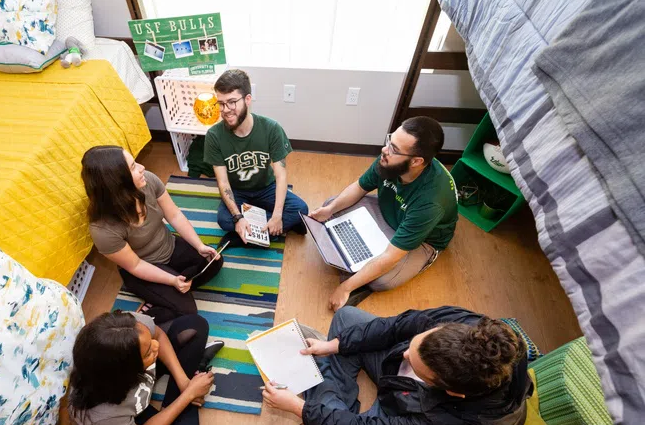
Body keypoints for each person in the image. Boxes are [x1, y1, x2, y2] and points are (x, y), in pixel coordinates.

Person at [262, 305, 531, 425]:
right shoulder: (470, 328)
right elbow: (398, 326)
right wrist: (335, 345)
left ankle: (321, 409)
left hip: (411, 424)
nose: (405, 353)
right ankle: (326, 397)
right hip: (405, 392)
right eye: (413, 346)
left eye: (414, 363)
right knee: (346, 319)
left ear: (451, 391)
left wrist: (299, 409)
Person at [309, 116, 458, 311]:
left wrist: (346, 288)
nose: (385, 150)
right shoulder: (389, 159)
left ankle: (365, 263)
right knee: (331, 205)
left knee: (382, 281)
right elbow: (360, 187)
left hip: (422, 241)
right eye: (390, 141)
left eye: (394, 149)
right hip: (389, 208)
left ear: (416, 161)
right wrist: (329, 210)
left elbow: (390, 257)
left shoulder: (431, 201)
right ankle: (364, 256)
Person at [69, 311, 222, 425]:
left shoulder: (125, 328)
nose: (156, 345)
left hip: (131, 390)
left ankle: (185, 397)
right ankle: (194, 378)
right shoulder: (104, 417)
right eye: (149, 351)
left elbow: (158, 335)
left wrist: (184, 382)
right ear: (127, 371)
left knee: (194, 326)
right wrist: (188, 395)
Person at [81, 145, 224, 324]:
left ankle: (166, 292)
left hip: (168, 246)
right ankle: (143, 315)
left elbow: (174, 215)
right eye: (133, 167)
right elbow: (135, 265)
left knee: (214, 261)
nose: (142, 168)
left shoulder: (148, 181)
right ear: (117, 181)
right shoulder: (103, 229)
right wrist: (171, 280)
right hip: (143, 267)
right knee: (187, 310)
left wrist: (199, 245)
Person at [204, 69, 309, 247]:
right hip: (237, 191)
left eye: (231, 102)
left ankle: (250, 232)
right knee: (224, 220)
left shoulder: (271, 128)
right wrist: (237, 217)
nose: (226, 110)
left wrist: (276, 215)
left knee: (301, 209)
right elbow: (223, 183)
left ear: (247, 99)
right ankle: (274, 231)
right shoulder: (214, 135)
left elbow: (281, 176)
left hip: (266, 187)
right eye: (221, 103)